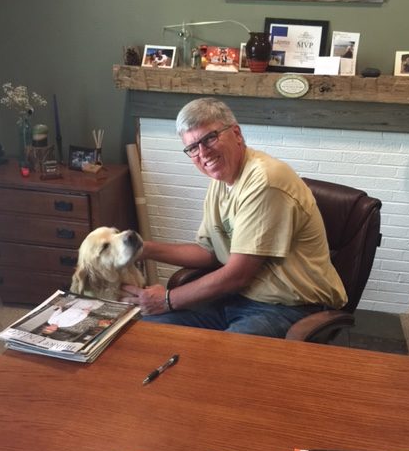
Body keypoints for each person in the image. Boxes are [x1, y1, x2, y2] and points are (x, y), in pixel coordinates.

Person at [121, 97, 347, 338]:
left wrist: (167, 299)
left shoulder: (265, 180)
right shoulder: (221, 180)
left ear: (236, 134)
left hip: (291, 307)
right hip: (240, 298)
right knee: (150, 332)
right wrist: (143, 249)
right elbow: (208, 251)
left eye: (210, 138)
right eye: (192, 147)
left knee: (224, 355)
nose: (203, 152)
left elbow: (238, 275)